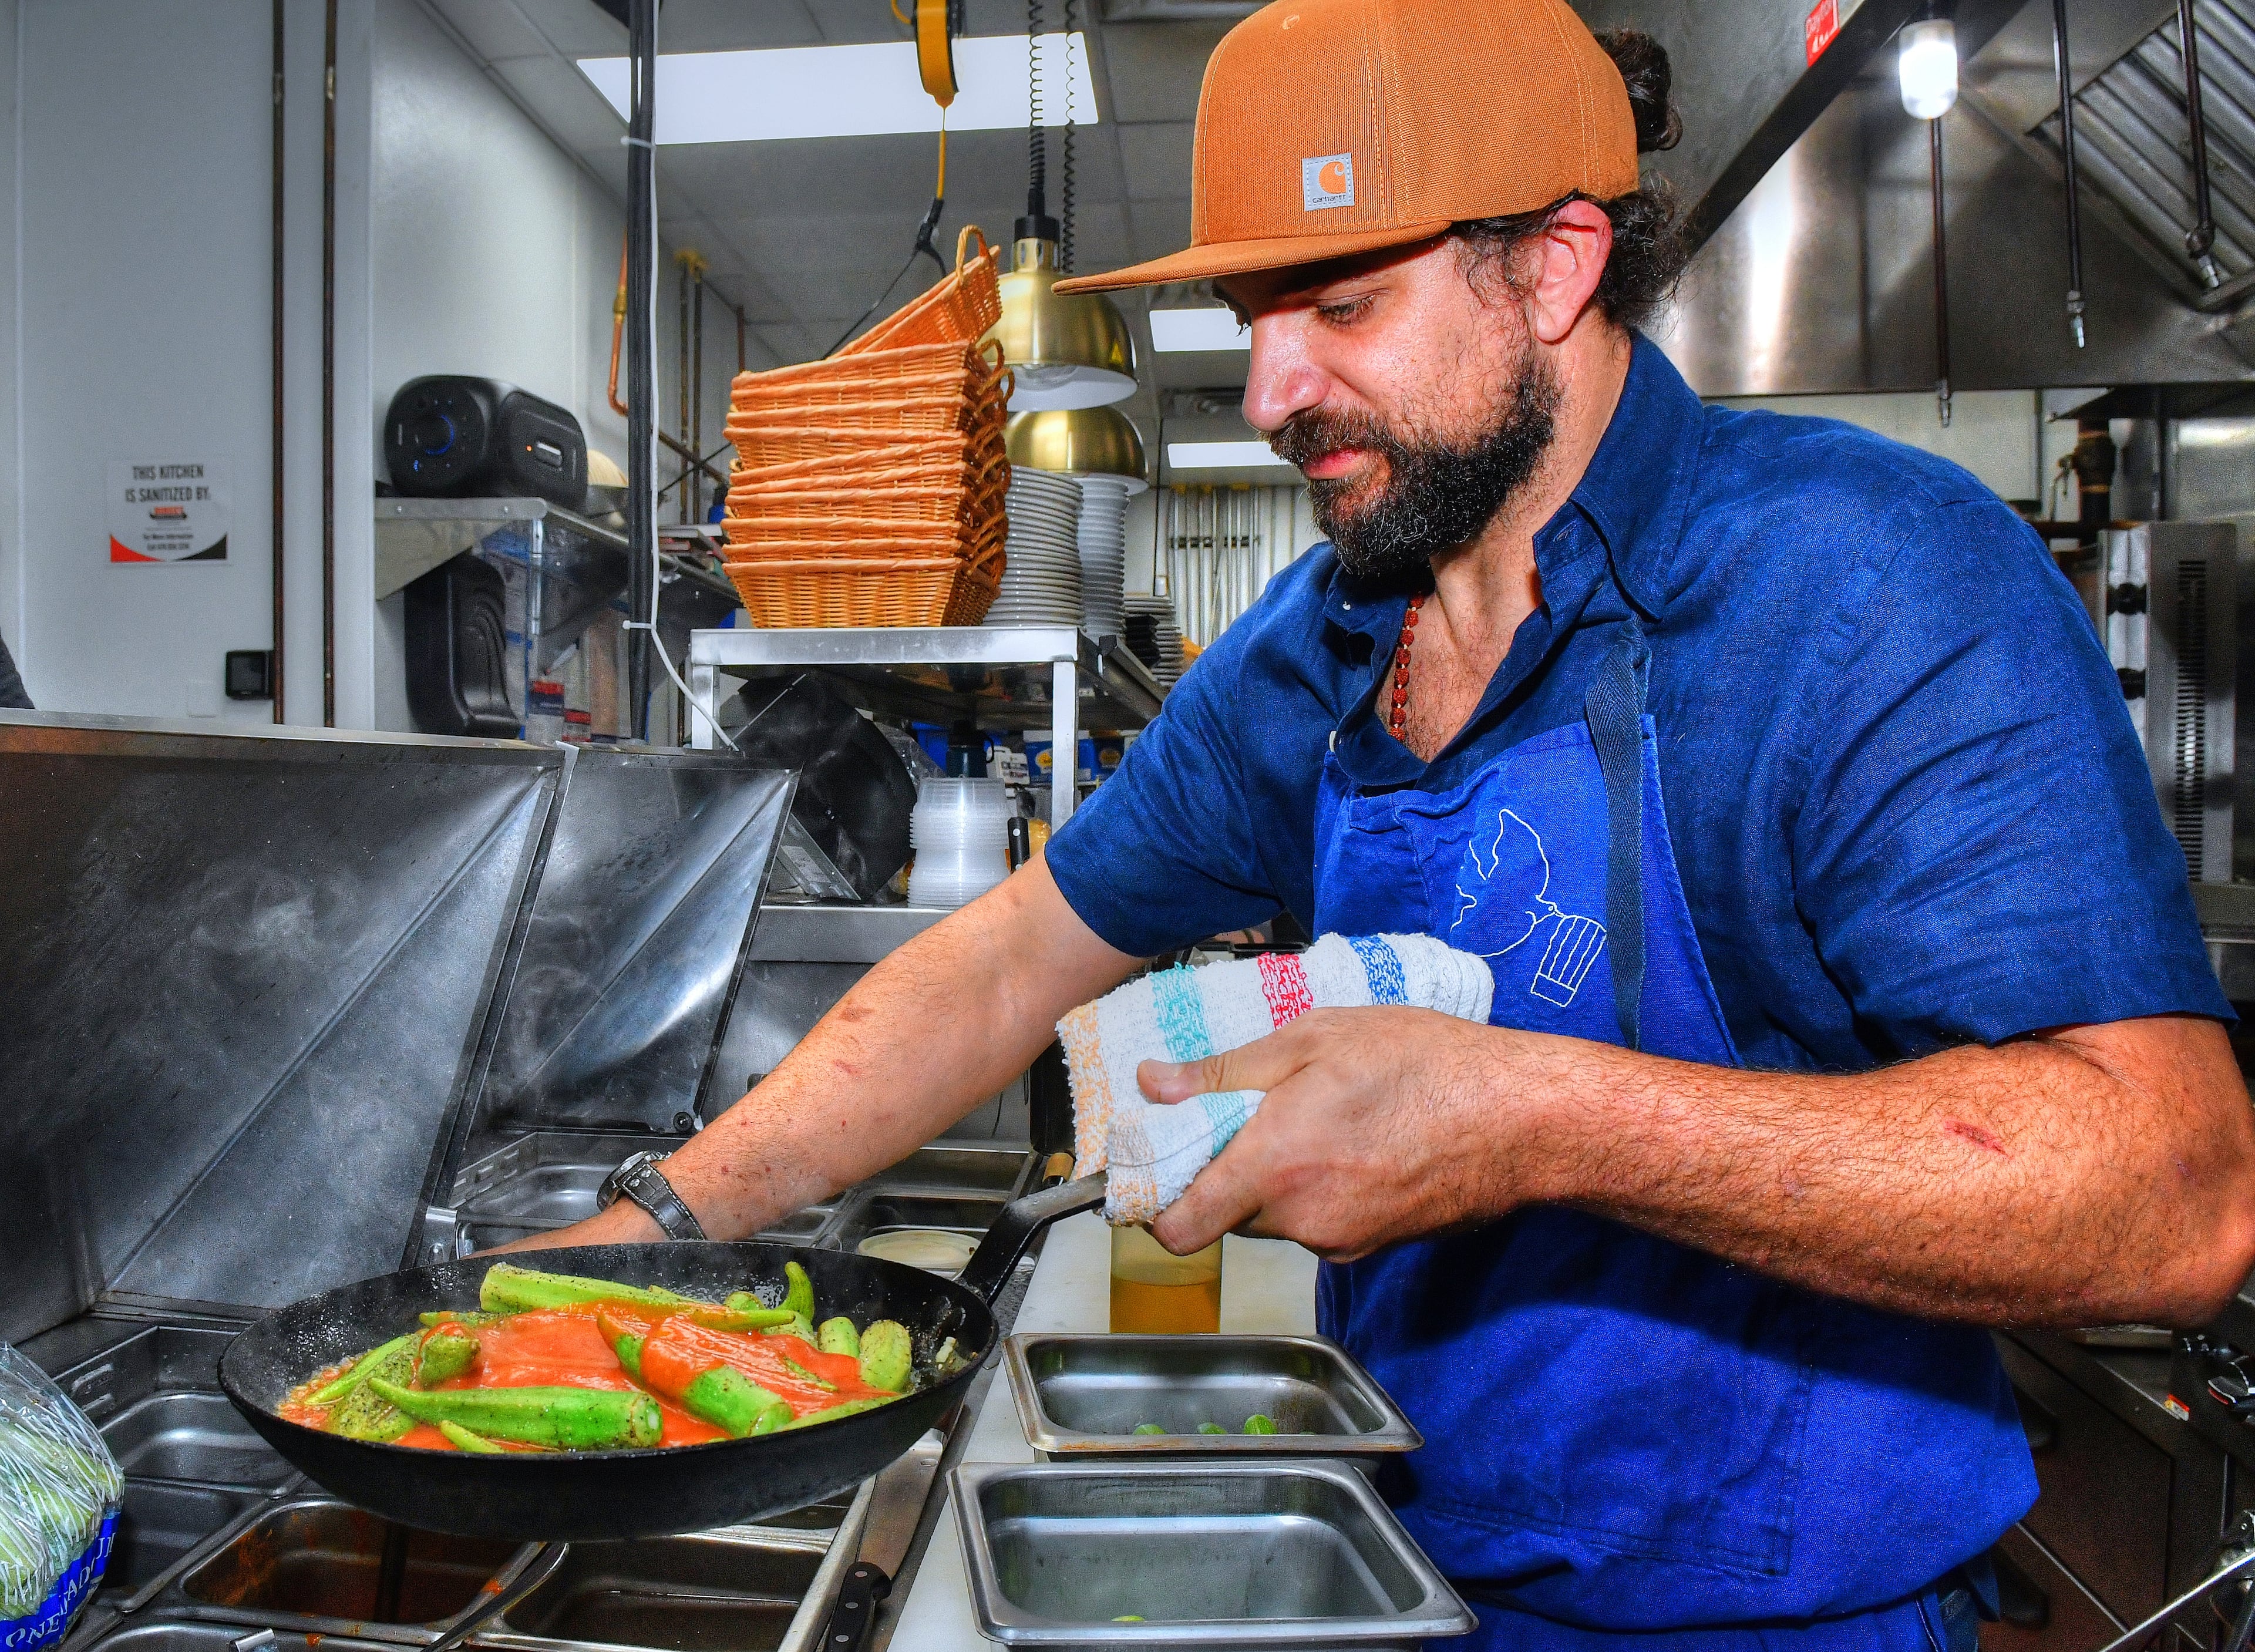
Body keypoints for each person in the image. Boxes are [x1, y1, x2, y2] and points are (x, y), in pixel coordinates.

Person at [517, 2, 2255, 1647]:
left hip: (1787, 1617)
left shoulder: (1865, 583)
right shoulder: (1320, 648)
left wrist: (1528, 1120)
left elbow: (2174, 1193)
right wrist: (669, 1230)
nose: (1270, 389)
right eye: (1255, 315)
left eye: (1338, 305)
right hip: (1411, 1562)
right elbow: (1001, 965)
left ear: (1557, 267)